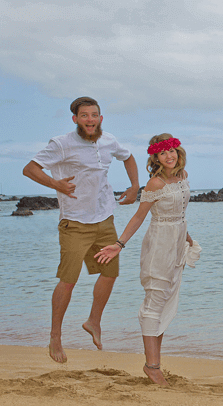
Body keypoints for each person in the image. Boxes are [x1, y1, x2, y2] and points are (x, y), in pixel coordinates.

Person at [22, 96, 140, 363]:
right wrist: (56, 185)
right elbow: (29, 168)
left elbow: (129, 156)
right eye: (84, 115)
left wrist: (134, 186)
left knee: (110, 273)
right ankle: (55, 336)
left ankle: (93, 322)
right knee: (69, 280)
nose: (90, 120)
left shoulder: (109, 140)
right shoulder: (61, 144)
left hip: (105, 218)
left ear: (100, 118)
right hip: (75, 222)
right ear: (75, 119)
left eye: (94, 115)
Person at [94, 134, 198, 386]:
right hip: (159, 245)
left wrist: (188, 239)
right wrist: (120, 244)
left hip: (176, 244)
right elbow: (140, 217)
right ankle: (152, 367)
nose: (169, 156)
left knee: (164, 303)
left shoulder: (183, 177)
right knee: (154, 302)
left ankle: (155, 364)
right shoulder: (154, 184)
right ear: (155, 157)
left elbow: (179, 214)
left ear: (178, 152)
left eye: (172, 151)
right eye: (163, 153)